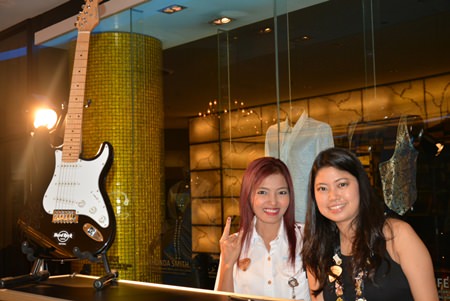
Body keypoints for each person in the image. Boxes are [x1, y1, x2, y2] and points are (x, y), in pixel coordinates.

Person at [301, 147, 438, 301]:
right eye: (322, 188)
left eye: (342, 184)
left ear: (360, 184)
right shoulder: (317, 250)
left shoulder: (397, 235)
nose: (333, 196)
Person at [215, 157, 311, 301]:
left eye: (282, 192)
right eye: (262, 192)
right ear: (248, 195)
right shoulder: (233, 245)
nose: (273, 201)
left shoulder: (307, 238)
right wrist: (227, 265)